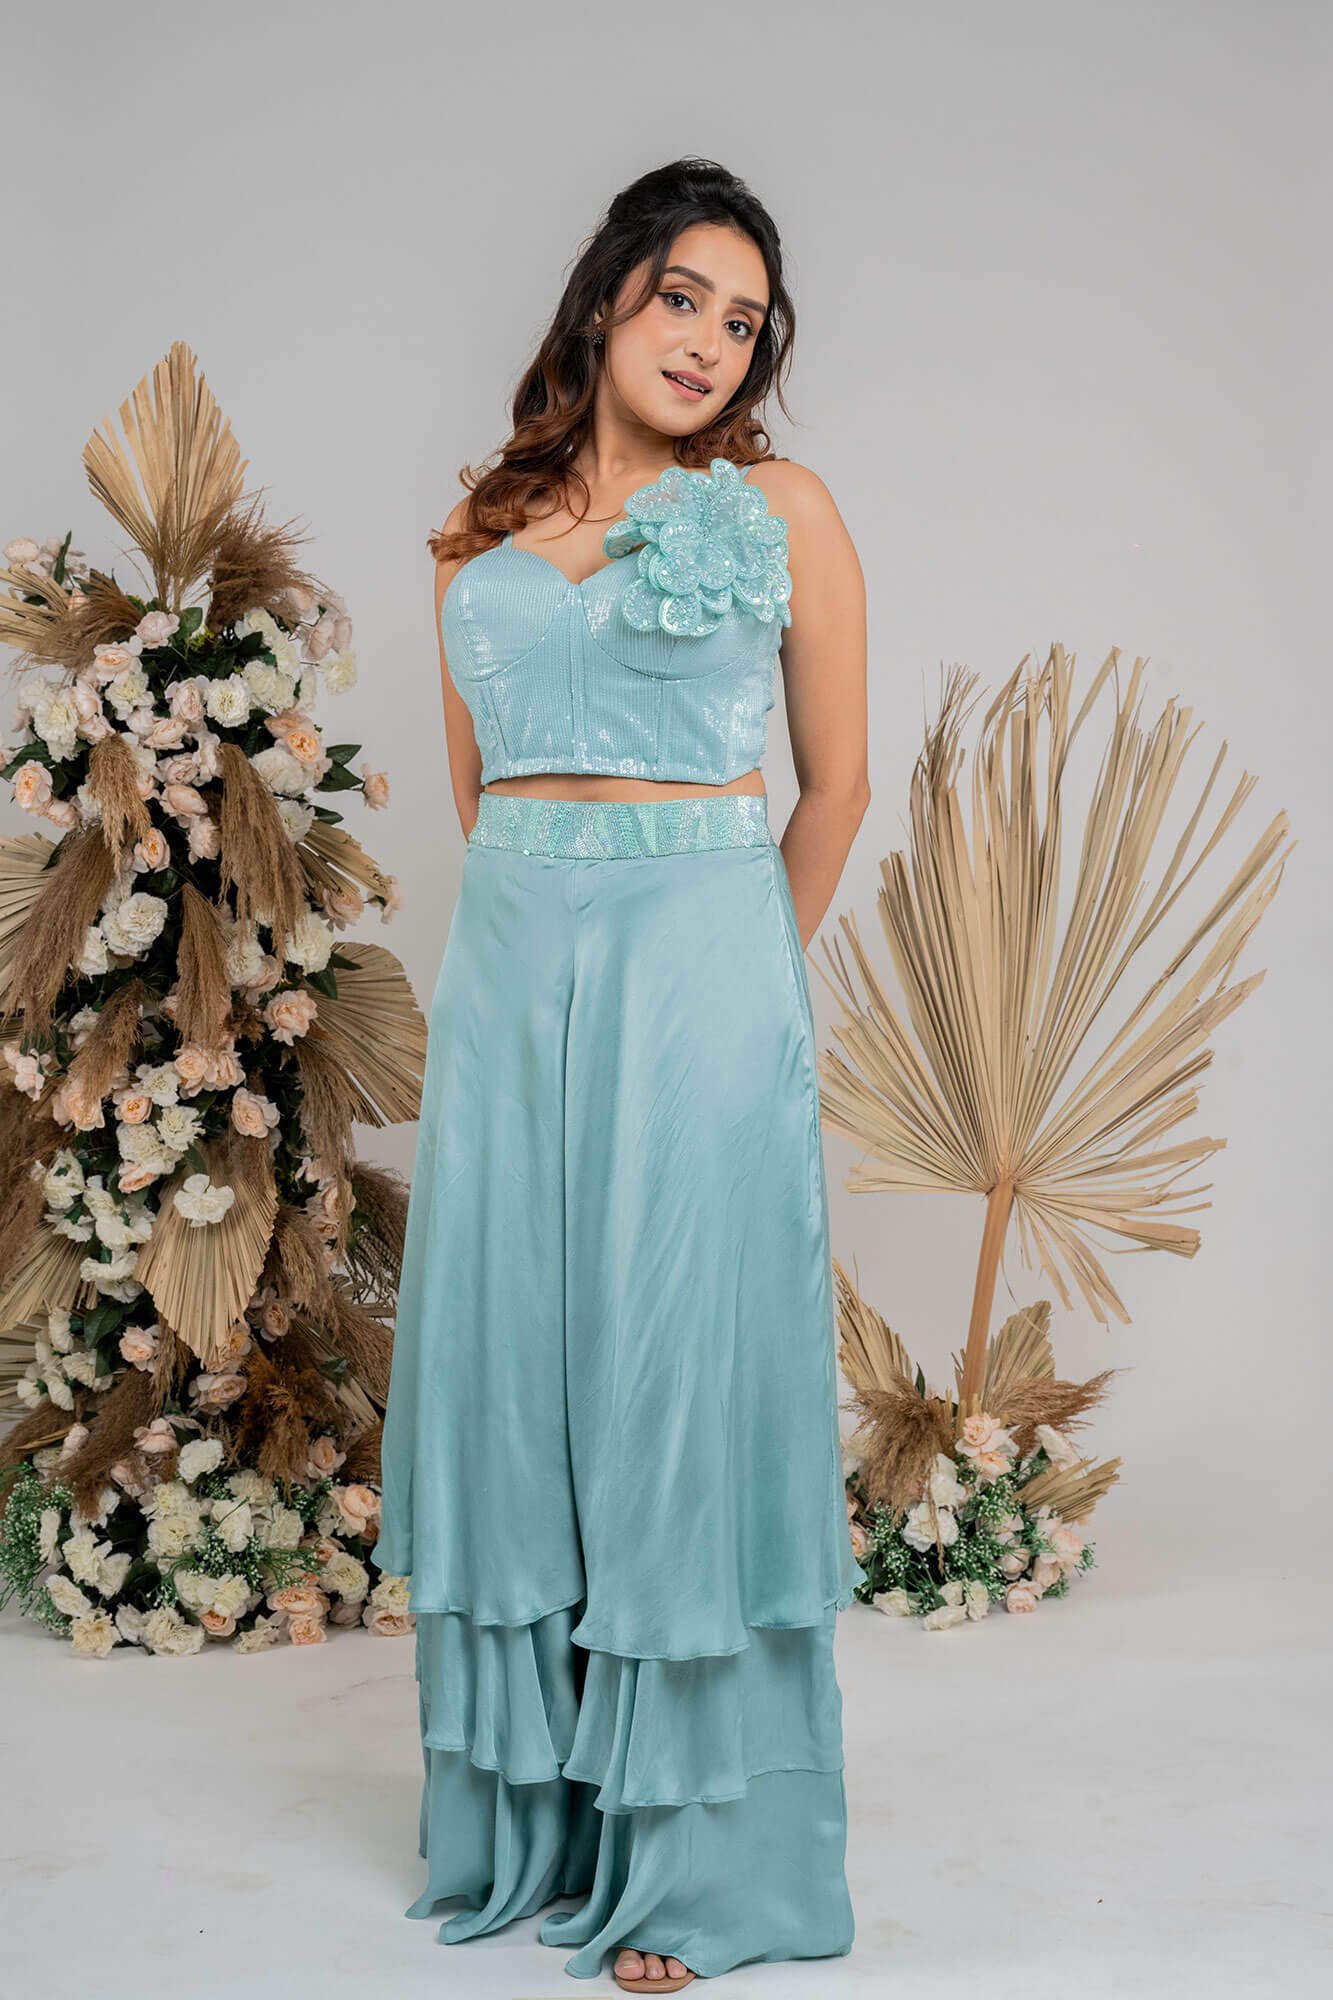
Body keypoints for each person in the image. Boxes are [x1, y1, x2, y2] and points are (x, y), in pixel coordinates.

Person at [373, 155, 869, 1992]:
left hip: (701, 970)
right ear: (603, 303)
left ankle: (689, 1863)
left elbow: (835, 784)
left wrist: (739, 975)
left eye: (744, 322)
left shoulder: (782, 507)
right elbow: (481, 796)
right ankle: (533, 1825)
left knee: (671, 1378)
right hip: (515, 969)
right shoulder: (474, 528)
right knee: (517, 1372)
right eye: (682, 298)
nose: (710, 342)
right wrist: (555, 936)